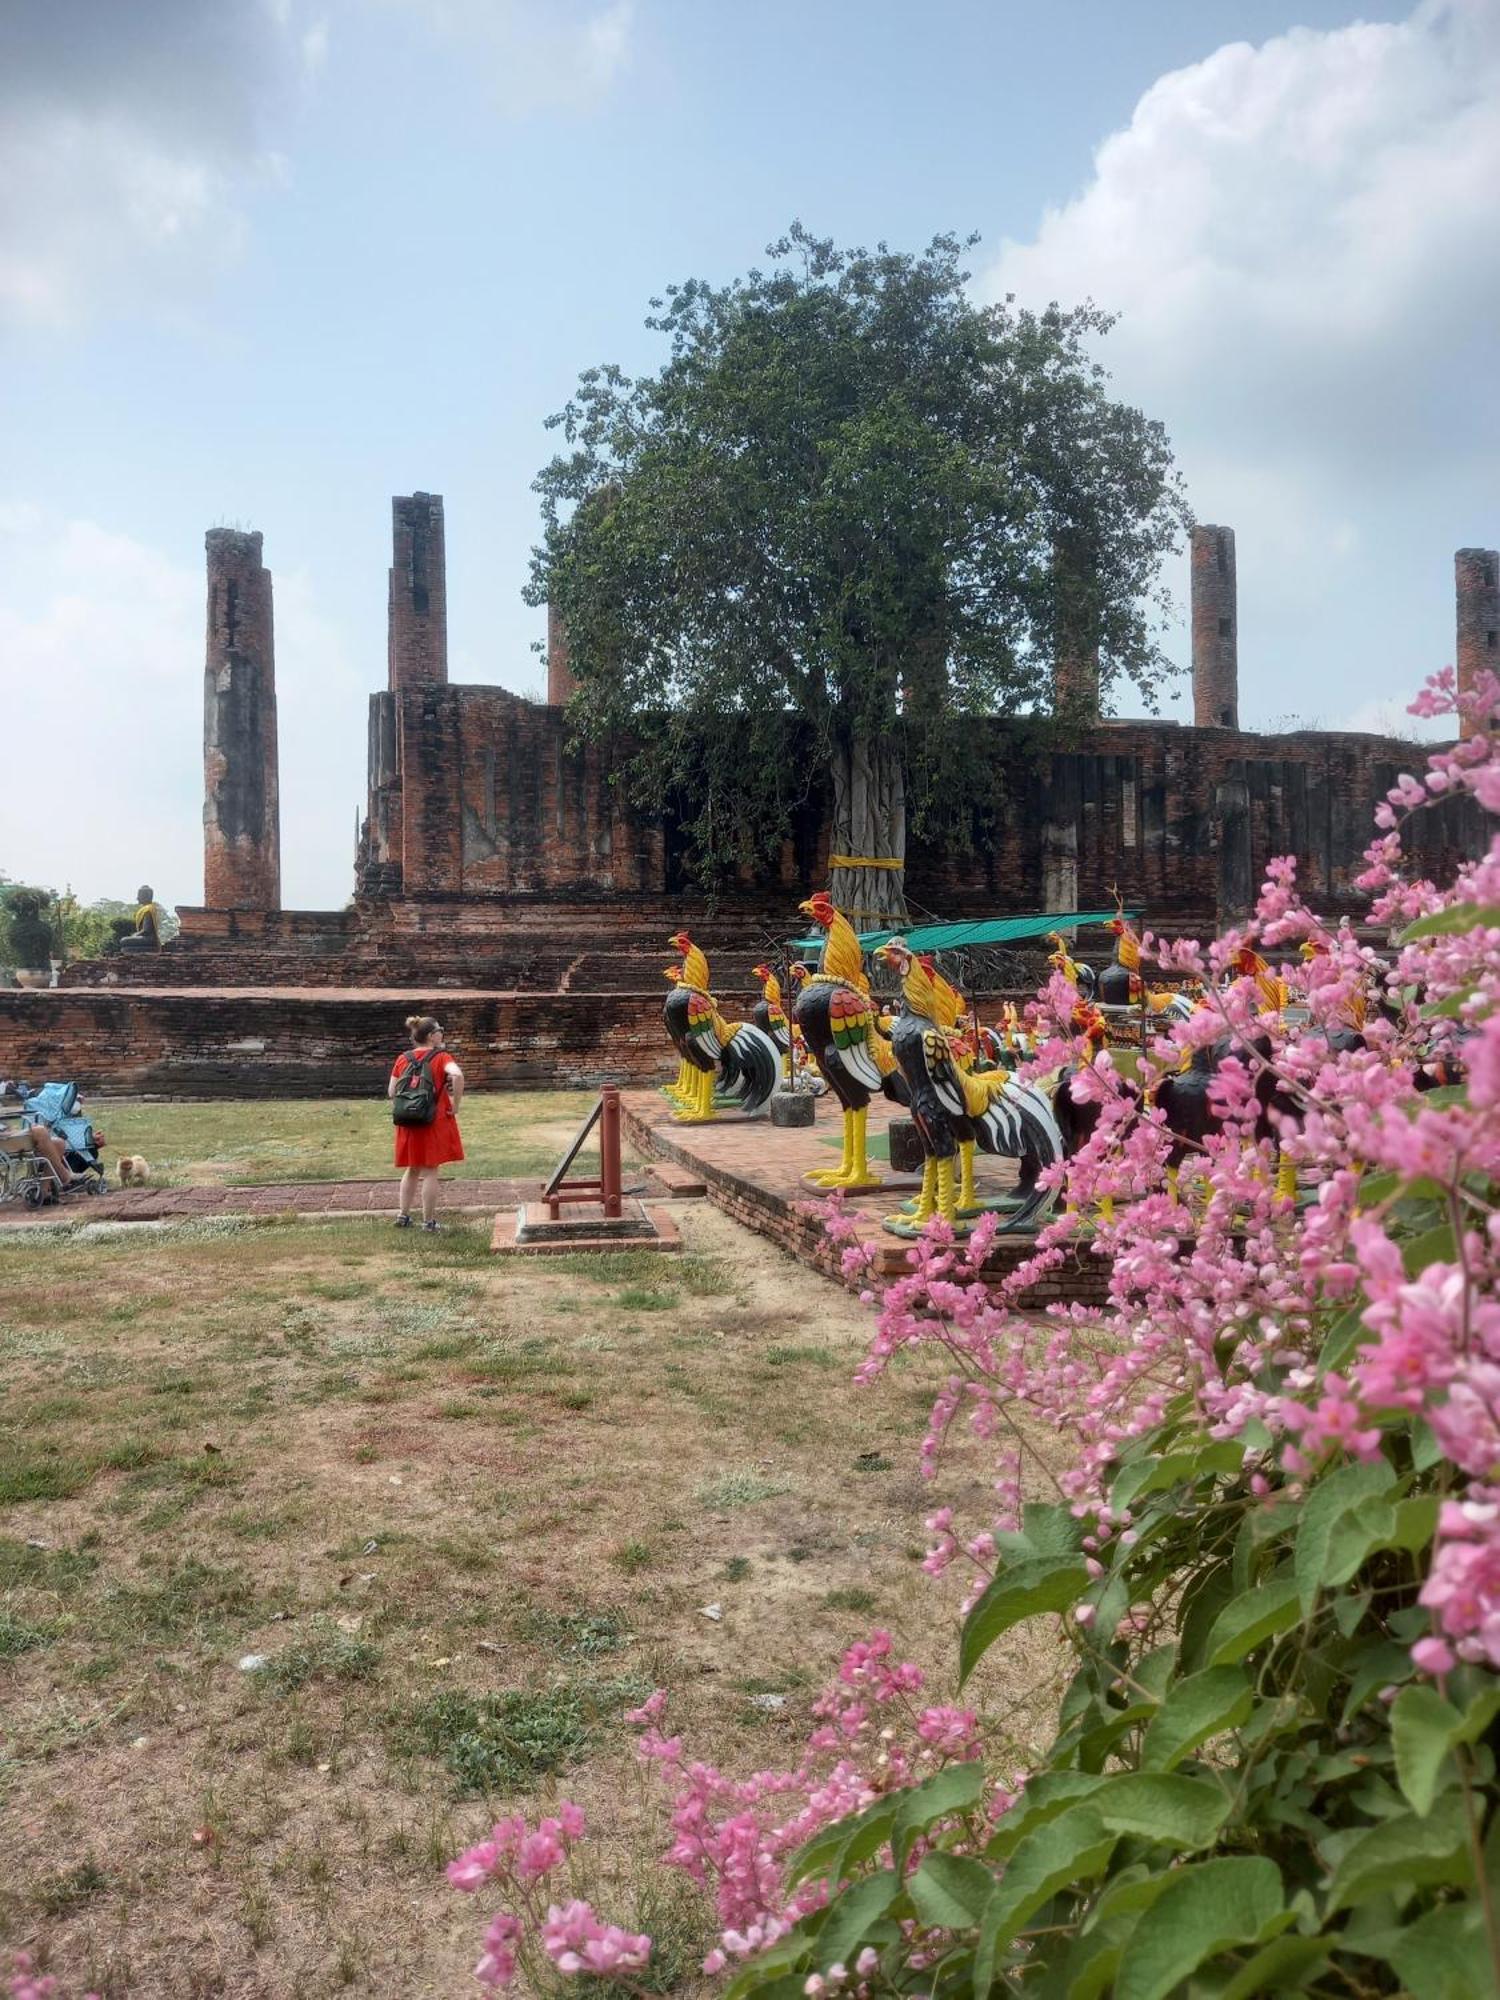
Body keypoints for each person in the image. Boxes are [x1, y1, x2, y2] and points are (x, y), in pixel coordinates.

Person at [388, 1014, 464, 1230]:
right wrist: (455, 1105)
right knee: (431, 1170)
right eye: (440, 1030)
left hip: (408, 1120)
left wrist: (409, 1104)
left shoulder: (403, 1058)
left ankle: (403, 1216)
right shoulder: (441, 1057)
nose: (442, 1033)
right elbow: (457, 1076)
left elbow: (391, 1091)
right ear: (432, 1036)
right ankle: (428, 1221)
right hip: (433, 1119)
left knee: (412, 1168)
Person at [119, 885, 165, 951]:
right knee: (125, 946)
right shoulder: (146, 909)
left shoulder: (148, 909)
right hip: (145, 939)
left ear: (146, 896)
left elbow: (146, 930)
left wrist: (134, 935)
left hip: (149, 939)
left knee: (123, 940)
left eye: (140, 895)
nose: (137, 898)